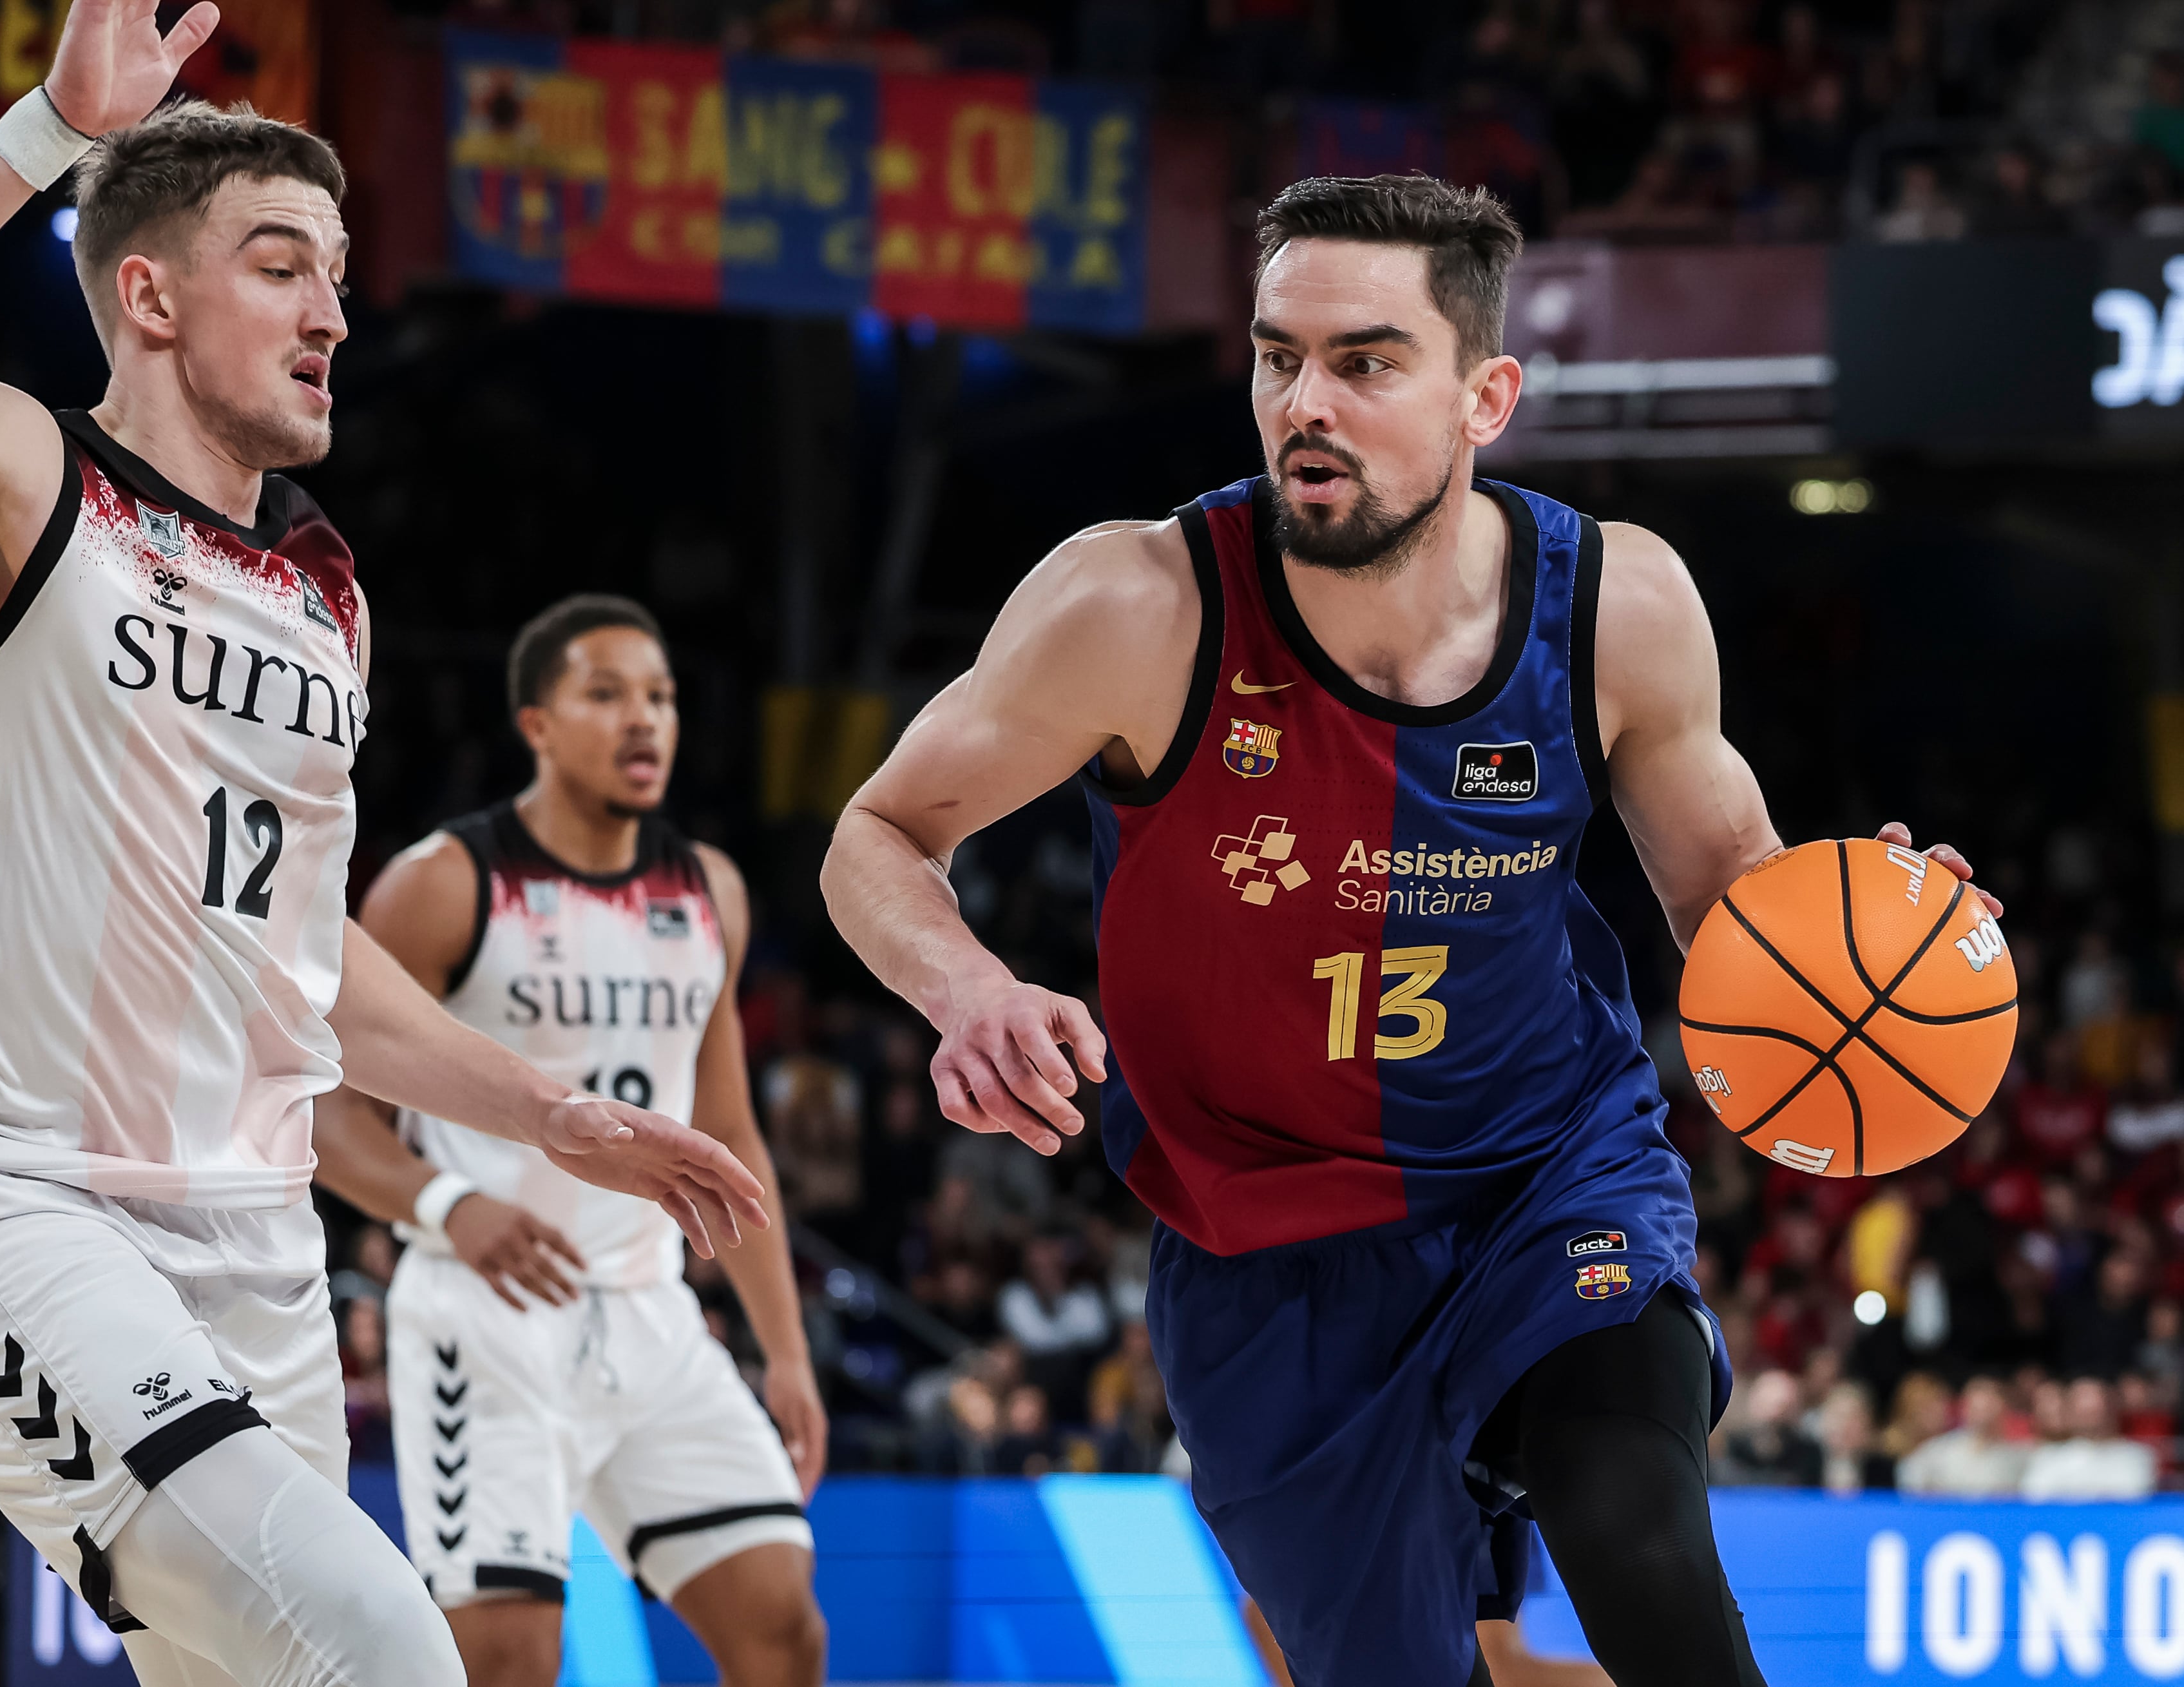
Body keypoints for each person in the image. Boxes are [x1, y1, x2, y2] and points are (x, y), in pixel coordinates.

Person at [0, 8, 767, 1684]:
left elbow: (302, 953)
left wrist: (552, 1111)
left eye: (336, 275)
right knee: (380, 1649)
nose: (332, 313)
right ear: (145, 294)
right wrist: (41, 134)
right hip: (3, 1205)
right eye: (280, 266)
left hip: (255, 1245)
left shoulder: (322, 596)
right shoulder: (13, 471)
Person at [821, 173, 1998, 1687]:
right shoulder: (1135, 606)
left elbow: (1731, 904)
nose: (1305, 401)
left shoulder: (1616, 606)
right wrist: (967, 989)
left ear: (1483, 397)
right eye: (1276, 356)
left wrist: (1863, 942)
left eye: (1366, 362)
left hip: (1541, 1167)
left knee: (1632, 1524)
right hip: (1266, 1248)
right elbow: (876, 834)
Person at [313, 596, 825, 1687]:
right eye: (607, 695)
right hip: (486, 1316)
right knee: (506, 1667)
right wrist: (447, 1205)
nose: (644, 721)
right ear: (536, 723)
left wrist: (782, 1347)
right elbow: (324, 1105)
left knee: (783, 1632)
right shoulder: (446, 881)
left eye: (662, 696)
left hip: (652, 1315)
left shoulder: (709, 891)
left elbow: (725, 1131)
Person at [2022, 1376, 2158, 1500]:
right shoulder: (2046, 1458)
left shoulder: (2137, 1456)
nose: (2090, 1408)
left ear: (2111, 1406)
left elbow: (2133, 1497)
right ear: (2069, 1410)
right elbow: (2036, 1502)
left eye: (2097, 1402)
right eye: (2082, 1402)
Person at [1897, 1374, 2027, 1496]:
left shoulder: (2017, 1457)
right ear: (1965, 1407)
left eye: (1989, 1407)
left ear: (2003, 1408)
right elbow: (1909, 1480)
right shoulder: (1937, 1451)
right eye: (1977, 1408)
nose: (1983, 1415)